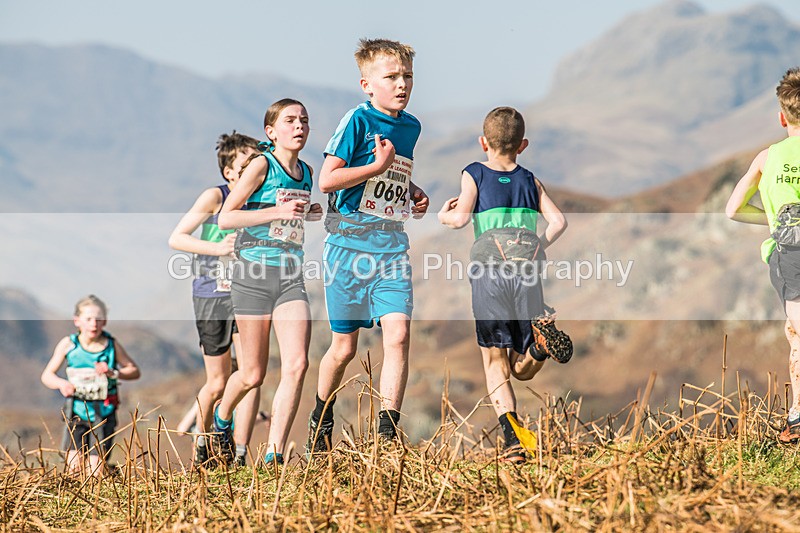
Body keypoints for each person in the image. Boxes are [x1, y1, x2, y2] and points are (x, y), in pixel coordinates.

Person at [307, 38, 429, 453]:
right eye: (391, 77)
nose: (402, 84)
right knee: (344, 348)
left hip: (391, 247)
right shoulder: (356, 120)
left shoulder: (411, 127)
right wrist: (376, 165)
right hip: (347, 247)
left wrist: (412, 191)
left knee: (399, 335)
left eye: (407, 76)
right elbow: (327, 180)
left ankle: (387, 438)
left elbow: (393, 174)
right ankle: (320, 421)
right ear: (367, 84)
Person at [438, 106, 570, 462]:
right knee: (520, 367)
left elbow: (460, 219)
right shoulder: (531, 180)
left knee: (495, 360)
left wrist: (443, 215)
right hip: (527, 273)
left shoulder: (474, 173)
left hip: (490, 274)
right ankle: (539, 347)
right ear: (522, 145)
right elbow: (559, 222)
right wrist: (536, 246)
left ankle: (514, 441)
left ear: (483, 142)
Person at [212, 98, 323, 466]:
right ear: (271, 132)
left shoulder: (307, 172)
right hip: (253, 275)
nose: (299, 126)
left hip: (290, 276)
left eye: (304, 120)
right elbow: (226, 218)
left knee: (297, 364)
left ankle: (274, 454)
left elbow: (289, 219)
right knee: (253, 374)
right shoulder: (262, 165)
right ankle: (221, 419)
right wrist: (278, 211)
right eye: (290, 120)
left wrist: (308, 213)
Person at [169, 131, 262, 467]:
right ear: (229, 172)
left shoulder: (262, 198)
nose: (255, 169)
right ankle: (202, 442)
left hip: (249, 292)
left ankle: (239, 452)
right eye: (247, 164)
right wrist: (218, 247)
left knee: (252, 374)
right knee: (218, 381)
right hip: (212, 294)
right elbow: (177, 238)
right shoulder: (215, 196)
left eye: (258, 162)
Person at [726, 67, 800, 444]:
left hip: (790, 254)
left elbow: (733, 209)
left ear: (782, 117)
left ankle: (798, 417)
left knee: (798, 331)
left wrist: (773, 220)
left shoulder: (767, 158)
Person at [41, 295, 140, 476]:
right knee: (74, 469)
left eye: (98, 319)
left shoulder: (111, 345)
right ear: (77, 321)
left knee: (94, 472)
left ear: (105, 321)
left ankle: (108, 475)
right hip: (76, 412)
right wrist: (62, 384)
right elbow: (47, 375)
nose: (94, 324)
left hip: (104, 414)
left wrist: (113, 372)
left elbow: (134, 371)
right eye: (88, 319)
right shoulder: (69, 344)